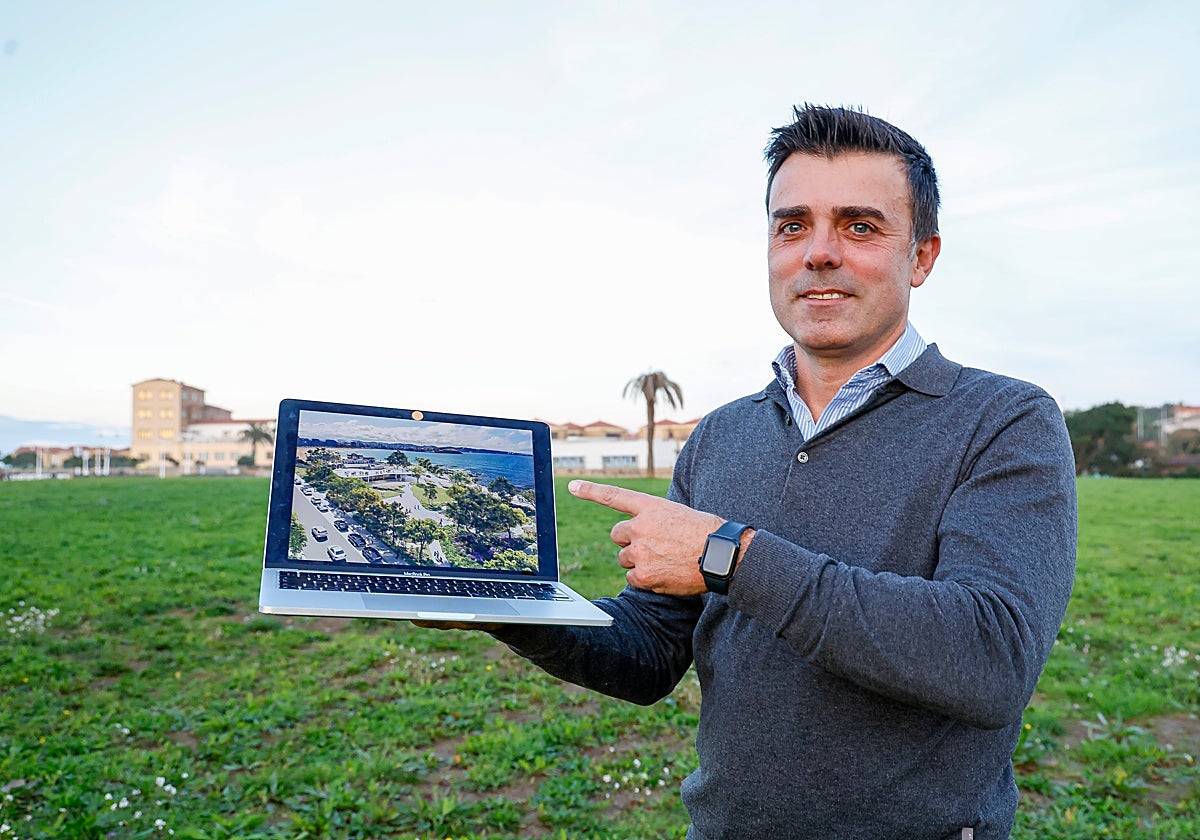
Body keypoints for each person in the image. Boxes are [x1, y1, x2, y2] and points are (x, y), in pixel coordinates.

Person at [423, 104, 1078, 839]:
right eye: (791, 225)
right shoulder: (721, 435)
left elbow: (989, 660)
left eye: (860, 226)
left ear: (922, 257)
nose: (818, 252)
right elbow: (650, 653)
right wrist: (503, 603)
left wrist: (727, 555)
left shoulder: (1003, 420)